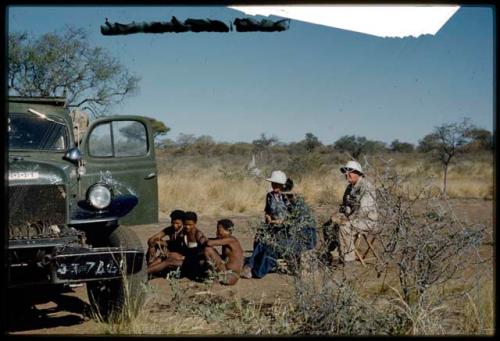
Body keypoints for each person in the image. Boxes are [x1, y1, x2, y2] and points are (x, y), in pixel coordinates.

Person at [323, 160, 378, 264]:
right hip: (353, 219)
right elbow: (345, 206)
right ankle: (333, 254)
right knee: (328, 225)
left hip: (367, 221)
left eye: (350, 171)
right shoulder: (349, 187)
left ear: (358, 173)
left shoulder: (367, 187)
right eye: (345, 171)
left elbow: (364, 210)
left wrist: (347, 220)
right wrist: (337, 215)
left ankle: (348, 261)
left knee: (344, 227)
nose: (346, 174)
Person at [241, 170, 291, 279]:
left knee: (267, 244)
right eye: (273, 183)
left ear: (282, 185)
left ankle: (252, 266)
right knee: (260, 240)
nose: (273, 185)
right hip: (271, 226)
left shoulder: (287, 197)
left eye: (276, 184)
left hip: (284, 228)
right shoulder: (269, 196)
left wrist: (280, 222)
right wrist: (268, 218)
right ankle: (250, 266)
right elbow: (267, 211)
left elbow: (291, 216)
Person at [201, 219, 244, 285]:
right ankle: (215, 275)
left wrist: (203, 239)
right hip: (226, 272)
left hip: (231, 275)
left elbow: (209, 243)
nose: (217, 233)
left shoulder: (231, 240)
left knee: (208, 249)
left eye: (219, 230)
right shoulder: (227, 239)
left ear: (227, 231)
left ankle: (213, 275)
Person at [146, 209, 187, 276]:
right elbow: (152, 239)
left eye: (177, 223)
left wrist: (167, 250)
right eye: (173, 223)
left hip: (180, 255)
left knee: (160, 260)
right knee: (153, 244)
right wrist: (155, 244)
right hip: (170, 251)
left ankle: (146, 271)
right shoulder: (170, 229)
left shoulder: (185, 232)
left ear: (183, 222)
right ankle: (149, 263)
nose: (174, 225)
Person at [180, 211, 209, 280]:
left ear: (195, 223)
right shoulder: (184, 232)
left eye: (190, 225)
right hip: (186, 258)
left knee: (170, 261)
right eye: (185, 224)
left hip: (195, 261)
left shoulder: (198, 234)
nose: (187, 227)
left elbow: (205, 249)